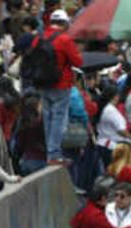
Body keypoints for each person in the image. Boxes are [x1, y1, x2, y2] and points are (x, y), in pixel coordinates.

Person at [36, 9, 82, 166]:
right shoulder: (64, 39)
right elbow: (77, 61)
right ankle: (54, 154)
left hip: (42, 83)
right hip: (61, 83)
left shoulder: (39, 37)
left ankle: (50, 153)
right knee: (58, 118)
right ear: (65, 23)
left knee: (47, 117)